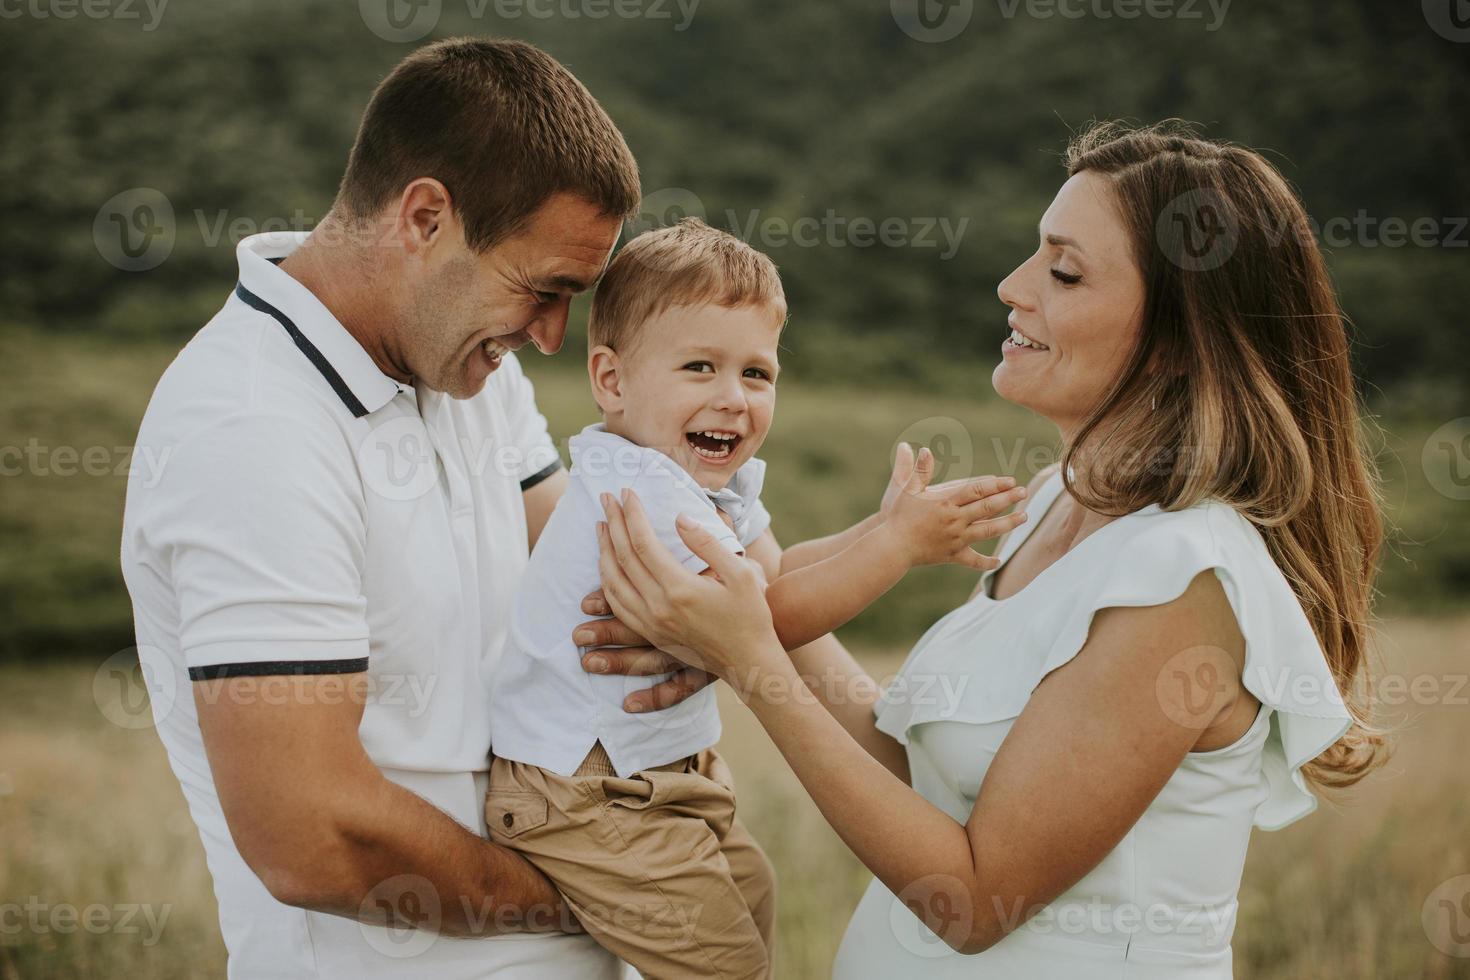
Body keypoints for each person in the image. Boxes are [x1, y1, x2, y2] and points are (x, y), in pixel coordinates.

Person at [583, 121, 1386, 979]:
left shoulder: (1185, 579)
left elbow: (973, 901)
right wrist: (763, 599)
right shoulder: (1055, 505)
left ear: (1179, 345)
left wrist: (748, 659)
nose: (1012, 286)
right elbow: (918, 778)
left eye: (1064, 271)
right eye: (1033, 256)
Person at [121, 37, 658, 979]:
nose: (551, 336)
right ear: (423, 218)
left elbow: (595, 582)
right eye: (543, 290)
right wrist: (590, 896)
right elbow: (312, 834)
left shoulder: (466, 369)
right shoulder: (250, 427)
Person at [485, 218, 1025, 979]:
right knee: (726, 964)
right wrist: (896, 548)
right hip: (581, 789)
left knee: (752, 892)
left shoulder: (698, 478)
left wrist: (880, 525)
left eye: (757, 374)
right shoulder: (642, 491)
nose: (733, 398)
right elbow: (765, 623)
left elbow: (771, 577)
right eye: (700, 367)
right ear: (611, 380)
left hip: (654, 770)